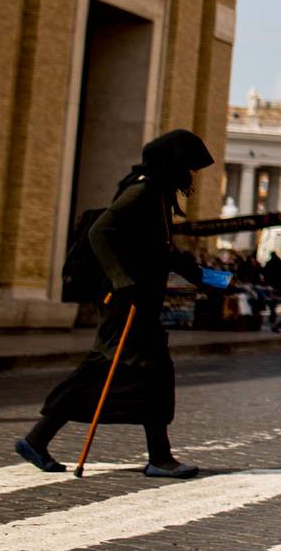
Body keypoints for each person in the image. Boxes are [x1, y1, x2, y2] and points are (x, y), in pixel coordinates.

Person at [16, 130, 214, 478]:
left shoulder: (159, 194)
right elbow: (100, 232)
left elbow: (162, 252)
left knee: (127, 374)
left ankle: (38, 439)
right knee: (136, 374)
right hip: (128, 302)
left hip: (139, 302)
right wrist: (123, 282)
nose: (191, 175)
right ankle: (158, 457)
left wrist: (213, 279)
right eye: (189, 167)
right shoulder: (143, 191)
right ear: (173, 163)